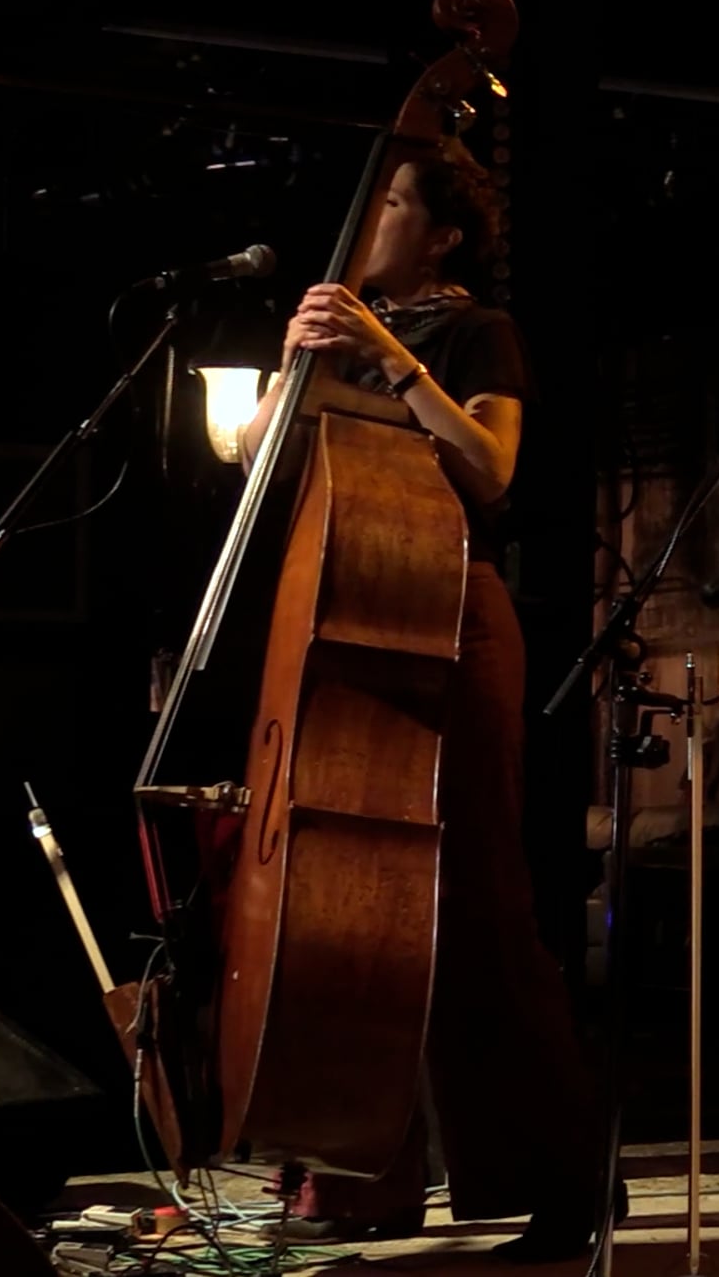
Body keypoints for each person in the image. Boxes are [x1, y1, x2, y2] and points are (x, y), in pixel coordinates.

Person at [236, 139, 612, 1263]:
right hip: (345, 614)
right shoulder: (324, 329)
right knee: (359, 909)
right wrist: (290, 368)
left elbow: (489, 468)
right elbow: (252, 459)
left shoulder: (474, 333)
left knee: (482, 905)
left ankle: (567, 1180)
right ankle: (365, 1176)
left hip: (450, 615)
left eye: (395, 202)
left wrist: (390, 356)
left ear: (443, 235)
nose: (373, 217)